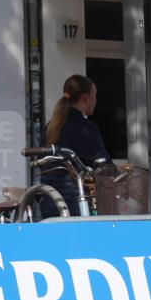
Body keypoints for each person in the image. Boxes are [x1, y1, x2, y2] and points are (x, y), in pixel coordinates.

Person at [41, 75, 112, 216]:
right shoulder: (86, 128)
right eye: (95, 96)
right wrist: (116, 173)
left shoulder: (51, 126)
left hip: (49, 202)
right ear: (86, 97)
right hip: (75, 203)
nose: (96, 101)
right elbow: (103, 164)